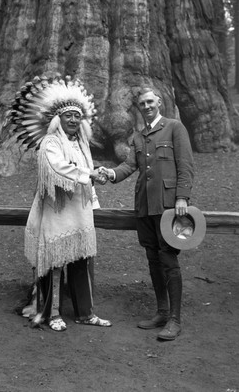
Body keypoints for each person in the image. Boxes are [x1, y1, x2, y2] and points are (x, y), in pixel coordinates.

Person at [10, 75, 112, 331]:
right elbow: (58, 168)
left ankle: (85, 313)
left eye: (78, 116)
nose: (74, 120)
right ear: (58, 119)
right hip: (56, 209)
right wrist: (88, 174)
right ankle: (52, 313)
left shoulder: (82, 142)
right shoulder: (50, 142)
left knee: (80, 259)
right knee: (54, 261)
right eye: (69, 116)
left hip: (79, 210)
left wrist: (95, 175)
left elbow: (84, 170)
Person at [99, 87, 194, 341]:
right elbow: (130, 165)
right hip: (144, 206)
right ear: (139, 107)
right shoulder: (138, 137)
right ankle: (162, 312)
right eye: (142, 103)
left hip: (167, 206)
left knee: (169, 259)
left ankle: (175, 319)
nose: (147, 106)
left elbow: (185, 164)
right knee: (152, 259)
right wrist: (110, 174)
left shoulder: (174, 127)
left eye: (150, 101)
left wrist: (182, 197)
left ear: (159, 102)